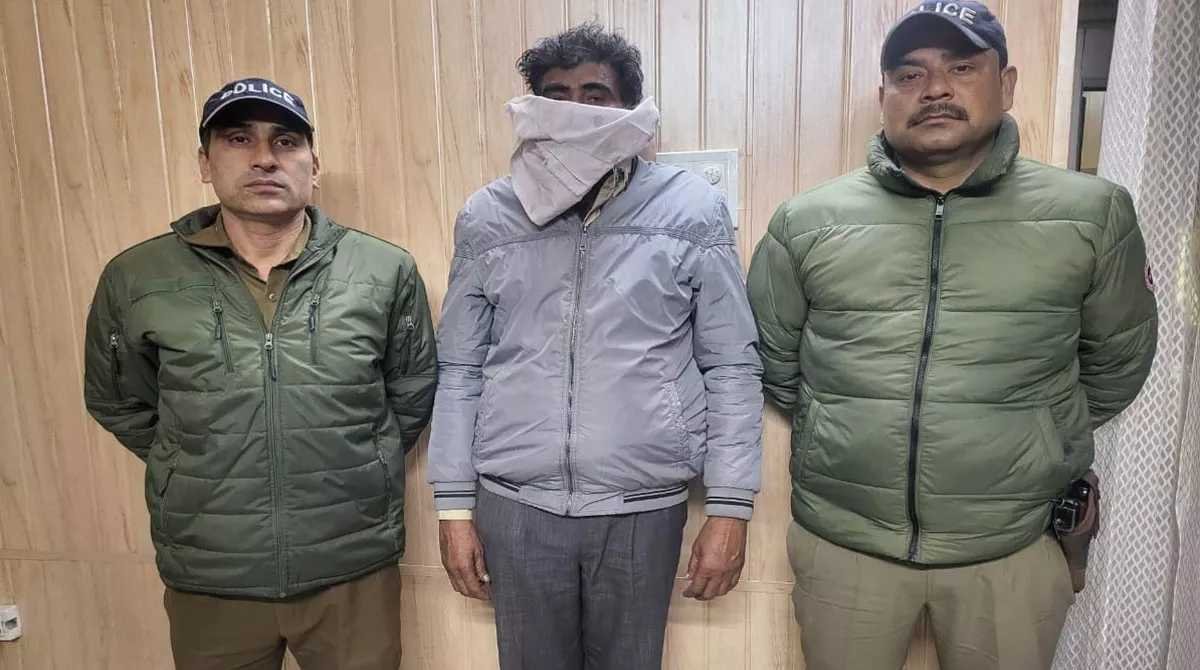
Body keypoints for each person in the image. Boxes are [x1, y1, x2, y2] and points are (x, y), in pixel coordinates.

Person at [746, 3, 1158, 669]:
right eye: (909, 74)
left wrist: (1035, 435)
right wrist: (838, 424)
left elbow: (1119, 361)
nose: (935, 88)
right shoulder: (807, 222)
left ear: (1007, 84)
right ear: (884, 96)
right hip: (847, 543)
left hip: (1012, 549)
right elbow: (773, 359)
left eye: (962, 67)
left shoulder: (1092, 214)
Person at [428, 23, 763, 670]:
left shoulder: (692, 209)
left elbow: (731, 366)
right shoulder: (488, 216)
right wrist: (453, 507)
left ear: (629, 108)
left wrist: (730, 508)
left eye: (595, 95)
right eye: (556, 95)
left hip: (643, 509)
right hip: (515, 505)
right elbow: (461, 368)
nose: (575, 110)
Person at [83, 77, 436, 670]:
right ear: (205, 162)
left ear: (313, 165)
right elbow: (118, 398)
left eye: (286, 141)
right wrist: (192, 457)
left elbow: (411, 390)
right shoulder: (138, 277)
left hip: (351, 567)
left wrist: (358, 458)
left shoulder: (383, 269)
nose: (265, 158)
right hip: (211, 573)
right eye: (239, 138)